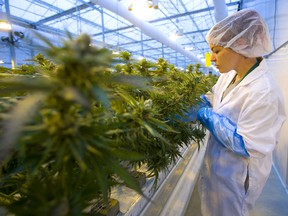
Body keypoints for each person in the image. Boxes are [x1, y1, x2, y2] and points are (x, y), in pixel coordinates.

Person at [196, 9, 286, 216]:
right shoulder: (228, 76)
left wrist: (205, 115)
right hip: (217, 169)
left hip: (235, 179)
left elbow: (247, 144)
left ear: (242, 45)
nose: (212, 58)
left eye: (217, 51)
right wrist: (197, 103)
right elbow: (215, 98)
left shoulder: (265, 91)